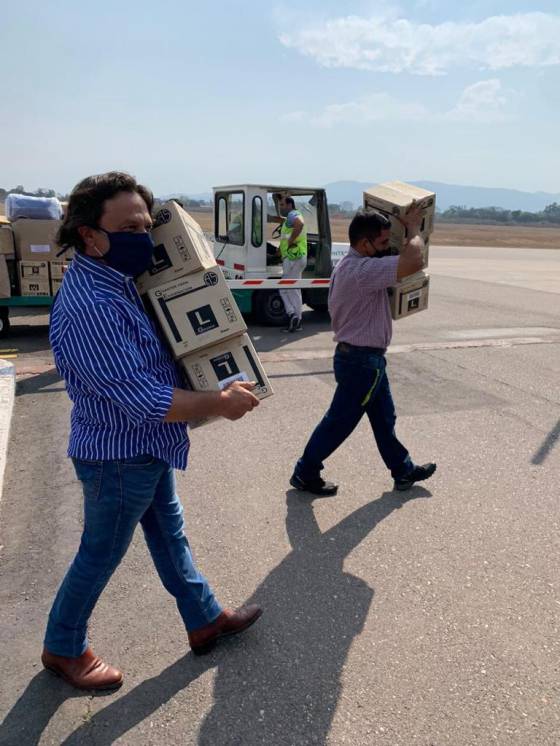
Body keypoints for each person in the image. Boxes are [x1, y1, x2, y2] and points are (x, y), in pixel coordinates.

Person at [42, 172, 263, 692]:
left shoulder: (115, 283)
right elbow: (145, 401)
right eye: (129, 227)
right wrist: (219, 403)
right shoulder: (90, 307)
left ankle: (204, 617)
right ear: (90, 236)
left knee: (169, 535)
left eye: (147, 224)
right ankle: (63, 647)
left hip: (145, 450)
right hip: (119, 457)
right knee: (99, 555)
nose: (143, 237)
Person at [289, 205, 437, 496]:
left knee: (384, 418)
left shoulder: (352, 264)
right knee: (339, 423)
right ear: (364, 243)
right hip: (361, 363)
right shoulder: (362, 270)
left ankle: (403, 470)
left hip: (365, 361)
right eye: (382, 243)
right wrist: (414, 229)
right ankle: (305, 472)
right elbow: (414, 260)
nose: (386, 248)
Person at [276, 195, 308, 332]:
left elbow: (299, 224)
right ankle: (297, 320)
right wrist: (279, 250)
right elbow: (286, 237)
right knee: (294, 288)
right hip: (297, 256)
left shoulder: (293, 214)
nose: (280, 207)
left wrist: (289, 242)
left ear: (289, 204)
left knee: (285, 288)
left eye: (282, 205)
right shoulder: (288, 219)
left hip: (293, 257)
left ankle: (293, 315)